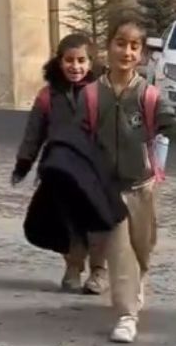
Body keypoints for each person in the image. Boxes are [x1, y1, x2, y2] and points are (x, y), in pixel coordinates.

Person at [95, 13, 176, 344]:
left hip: (141, 186)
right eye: (120, 44)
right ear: (107, 47)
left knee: (142, 248)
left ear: (141, 54)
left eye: (134, 46)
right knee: (119, 249)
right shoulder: (91, 95)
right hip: (106, 189)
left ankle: (133, 293)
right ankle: (127, 315)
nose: (126, 52)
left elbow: (173, 124)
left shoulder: (148, 96)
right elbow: (75, 135)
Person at [12, 33, 109, 295]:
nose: (75, 66)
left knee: (98, 221)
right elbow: (34, 132)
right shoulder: (48, 96)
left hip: (95, 170)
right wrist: (24, 162)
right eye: (69, 60)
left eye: (81, 60)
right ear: (59, 61)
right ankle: (73, 266)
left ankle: (99, 271)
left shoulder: (103, 92)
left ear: (91, 62)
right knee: (69, 221)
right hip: (61, 172)